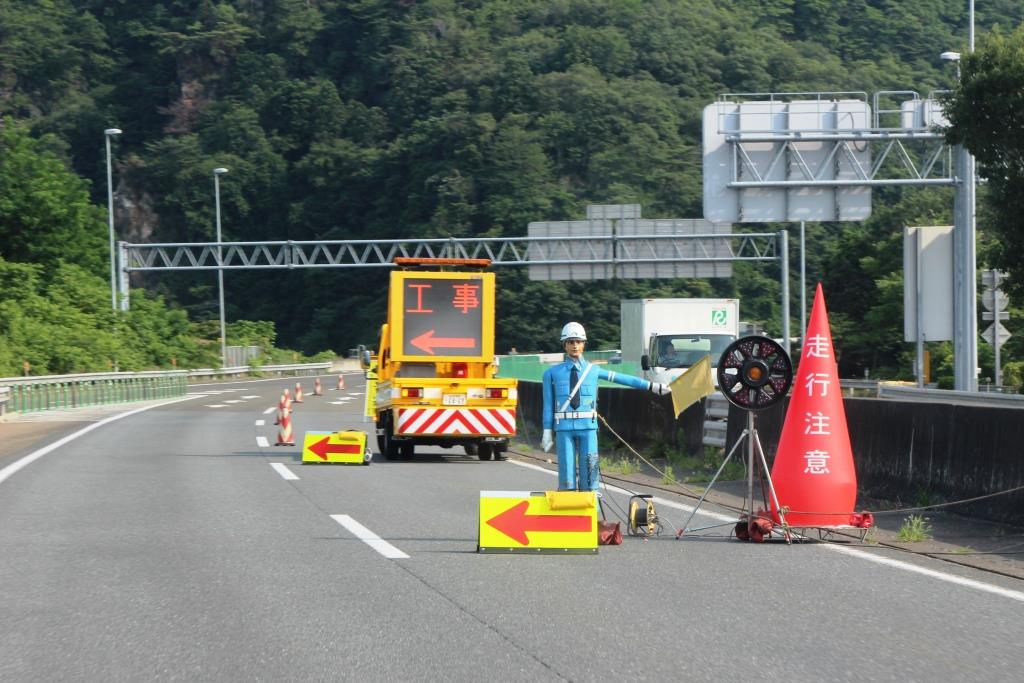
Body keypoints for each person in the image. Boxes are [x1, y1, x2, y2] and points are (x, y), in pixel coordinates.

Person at [541, 322, 669, 491]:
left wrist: (653, 386)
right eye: (571, 342)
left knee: (591, 473)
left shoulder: (593, 371)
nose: (575, 346)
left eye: (578, 341)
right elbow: (548, 404)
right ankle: (570, 515)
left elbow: (624, 379)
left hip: (588, 427)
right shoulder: (552, 373)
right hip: (563, 428)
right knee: (566, 478)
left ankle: (594, 514)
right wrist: (547, 430)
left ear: (584, 344)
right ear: (564, 344)